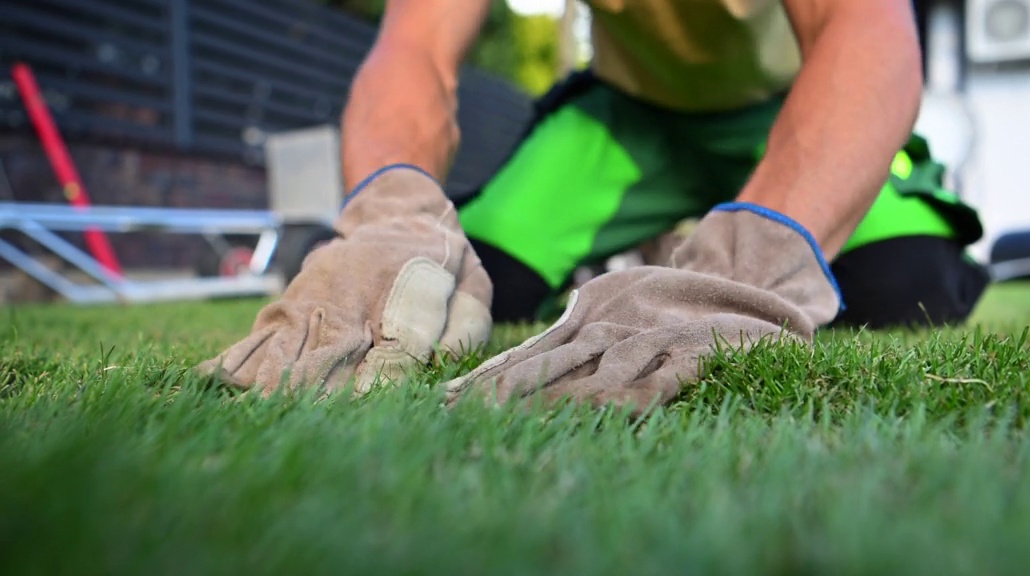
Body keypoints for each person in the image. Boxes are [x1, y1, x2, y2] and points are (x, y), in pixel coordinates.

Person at [198, 0, 987, 410]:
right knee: (479, 278)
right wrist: (391, 213)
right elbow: (416, 44)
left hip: (789, 106)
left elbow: (870, 30)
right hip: (628, 119)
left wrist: (748, 268)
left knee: (899, 286)